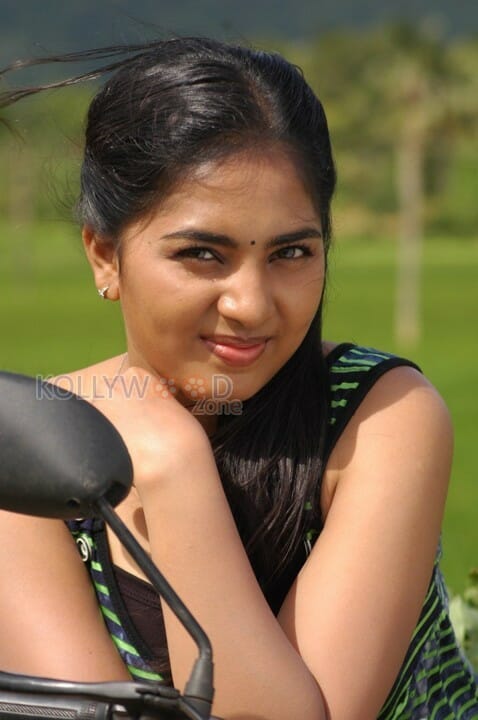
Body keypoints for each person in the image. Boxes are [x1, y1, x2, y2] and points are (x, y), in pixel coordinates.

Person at [0, 37, 476, 720]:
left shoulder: (380, 416)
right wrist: (166, 449)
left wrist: (172, 468)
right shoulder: (35, 447)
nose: (251, 306)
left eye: (292, 252)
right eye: (202, 253)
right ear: (104, 255)